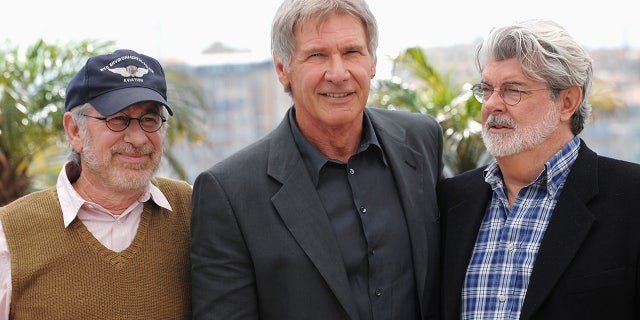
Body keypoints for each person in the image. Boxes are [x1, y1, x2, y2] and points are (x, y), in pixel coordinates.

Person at [190, 0, 444, 319]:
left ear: (373, 61)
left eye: (352, 52)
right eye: (317, 55)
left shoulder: (421, 141)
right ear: (283, 69)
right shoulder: (229, 193)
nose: (338, 74)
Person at [438, 19, 640, 320]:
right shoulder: (449, 200)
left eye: (512, 90)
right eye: (486, 89)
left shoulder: (632, 197)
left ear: (567, 102)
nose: (492, 104)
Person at [0, 49, 192, 319]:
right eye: (117, 119)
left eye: (150, 119)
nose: (138, 138)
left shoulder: (191, 209)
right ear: (74, 131)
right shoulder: (10, 235)